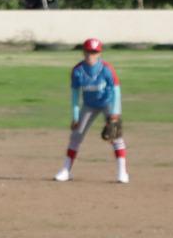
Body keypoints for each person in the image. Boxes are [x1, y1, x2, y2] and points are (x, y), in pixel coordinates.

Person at [54, 37, 128, 184]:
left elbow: (117, 91)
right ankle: (65, 170)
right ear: (83, 52)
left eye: (94, 52)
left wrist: (115, 113)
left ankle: (122, 172)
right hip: (89, 105)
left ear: (99, 53)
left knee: (116, 136)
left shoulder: (107, 69)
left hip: (108, 103)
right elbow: (75, 95)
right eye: (88, 51)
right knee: (76, 136)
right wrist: (75, 117)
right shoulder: (78, 71)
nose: (90, 55)